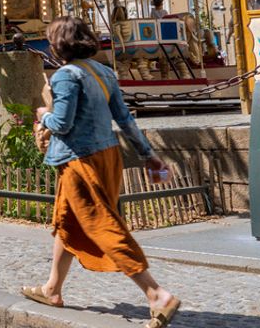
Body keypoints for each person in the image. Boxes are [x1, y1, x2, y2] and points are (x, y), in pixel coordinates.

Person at [23, 17, 179, 327]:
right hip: (107, 155)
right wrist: (148, 155)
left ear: (59, 45)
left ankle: (156, 294)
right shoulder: (104, 72)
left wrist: (43, 115)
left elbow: (62, 123)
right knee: (67, 220)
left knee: (101, 224)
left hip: (79, 160)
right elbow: (125, 119)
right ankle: (52, 289)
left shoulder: (65, 76)